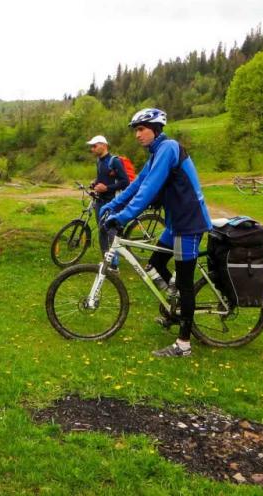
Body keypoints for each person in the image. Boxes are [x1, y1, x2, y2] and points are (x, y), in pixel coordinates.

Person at [98, 108, 212, 358]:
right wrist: (112, 205)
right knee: (155, 263)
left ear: (156, 129)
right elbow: (137, 184)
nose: (137, 135)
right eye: (136, 130)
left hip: (190, 224)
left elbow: (148, 190)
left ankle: (184, 345)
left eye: (141, 129)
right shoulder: (155, 154)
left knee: (184, 282)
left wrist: (123, 216)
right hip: (175, 224)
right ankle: (174, 305)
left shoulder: (168, 148)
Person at [86, 135, 129, 256]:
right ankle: (105, 258)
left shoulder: (114, 161)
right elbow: (102, 177)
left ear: (104, 145)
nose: (92, 149)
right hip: (100, 201)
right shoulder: (98, 160)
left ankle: (114, 265)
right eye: (91, 147)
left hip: (112, 201)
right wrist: (95, 182)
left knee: (111, 232)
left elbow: (125, 182)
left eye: (94, 146)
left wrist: (107, 188)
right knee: (101, 229)